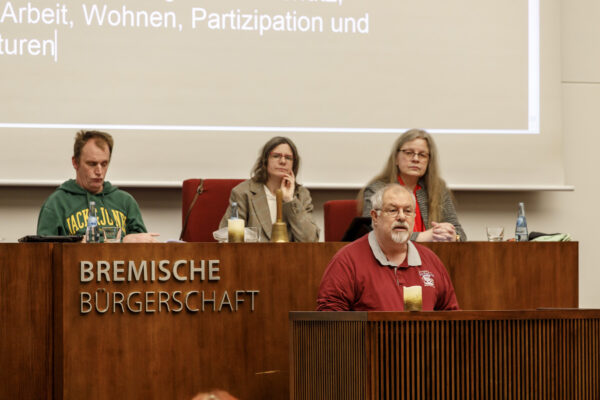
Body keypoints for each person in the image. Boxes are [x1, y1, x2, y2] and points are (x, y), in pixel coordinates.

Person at [317, 184, 459, 311]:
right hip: (369, 340)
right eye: (393, 210)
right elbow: (330, 318)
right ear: (375, 217)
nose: (402, 217)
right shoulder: (347, 261)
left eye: (408, 211)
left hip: (423, 341)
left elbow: (451, 315)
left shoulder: (431, 261)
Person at [37, 130, 159, 242]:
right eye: (92, 164)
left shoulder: (125, 202)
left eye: (104, 164)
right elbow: (44, 254)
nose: (99, 171)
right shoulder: (56, 204)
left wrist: (126, 241)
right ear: (75, 162)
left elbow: (144, 252)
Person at [358, 129, 466, 242]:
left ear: (429, 161)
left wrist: (453, 236)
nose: (415, 159)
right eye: (409, 153)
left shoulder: (438, 189)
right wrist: (420, 237)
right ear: (396, 158)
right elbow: (370, 233)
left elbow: (460, 233)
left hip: (431, 255)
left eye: (422, 155)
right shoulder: (377, 190)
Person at [219, 136, 319, 242]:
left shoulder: (302, 195)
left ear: (293, 164)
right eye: (276, 156)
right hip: (253, 257)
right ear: (265, 160)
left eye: (288, 158)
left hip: (291, 258)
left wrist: (290, 201)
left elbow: (310, 241)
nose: (283, 161)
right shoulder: (243, 192)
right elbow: (227, 238)